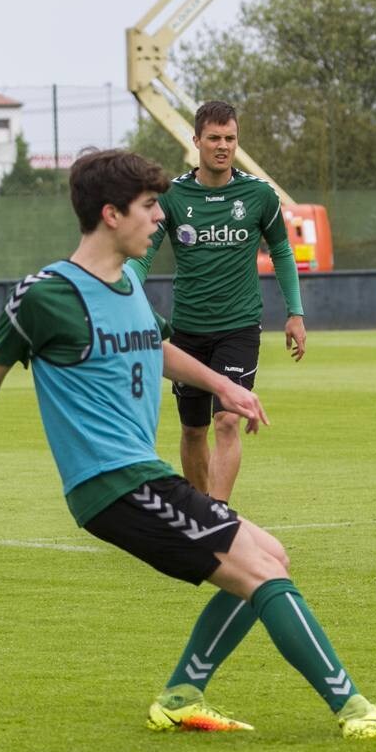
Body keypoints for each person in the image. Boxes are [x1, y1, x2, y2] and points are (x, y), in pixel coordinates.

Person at [0, 149, 376, 739]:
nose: (160, 219)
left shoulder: (128, 283)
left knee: (270, 555)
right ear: (111, 214)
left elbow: (154, 347)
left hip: (145, 476)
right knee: (260, 571)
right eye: (149, 207)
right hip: (112, 485)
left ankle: (182, 695)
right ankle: (356, 711)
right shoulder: (45, 296)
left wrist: (223, 387)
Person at [128, 100, 306, 503]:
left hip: (239, 327)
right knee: (193, 430)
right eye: (214, 138)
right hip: (187, 331)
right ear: (197, 141)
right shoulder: (172, 197)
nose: (223, 146)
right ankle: (199, 509)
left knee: (227, 420)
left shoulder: (259, 195)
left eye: (230, 138)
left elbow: (281, 251)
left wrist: (295, 312)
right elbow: (141, 257)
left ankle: (218, 516)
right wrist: (128, 295)